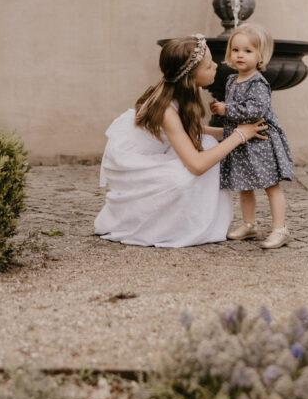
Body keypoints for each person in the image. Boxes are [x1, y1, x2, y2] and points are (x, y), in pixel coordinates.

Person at [94, 34, 266, 248]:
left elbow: (190, 132)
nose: (215, 66)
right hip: (134, 166)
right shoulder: (166, 109)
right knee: (204, 157)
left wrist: (231, 132)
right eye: (208, 65)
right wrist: (239, 136)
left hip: (159, 152)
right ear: (190, 76)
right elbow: (196, 165)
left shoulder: (182, 91)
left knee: (209, 142)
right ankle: (173, 223)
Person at [210, 23, 293, 249]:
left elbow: (255, 110)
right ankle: (249, 225)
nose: (240, 55)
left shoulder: (258, 82)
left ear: (260, 55)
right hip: (242, 142)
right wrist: (221, 108)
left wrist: (226, 109)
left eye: (248, 51)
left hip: (261, 141)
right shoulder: (231, 80)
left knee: (271, 186)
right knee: (244, 185)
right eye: (235, 50)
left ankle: (280, 228)